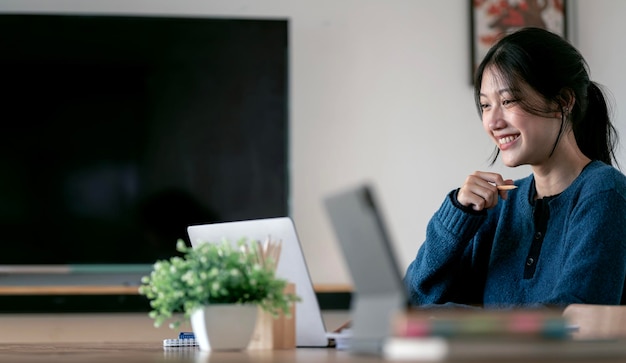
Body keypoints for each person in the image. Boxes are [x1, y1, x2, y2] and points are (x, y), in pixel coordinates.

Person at [403, 27, 626, 308]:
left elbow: (573, 318)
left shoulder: (604, 192)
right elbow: (413, 300)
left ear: (563, 102)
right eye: (485, 105)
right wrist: (458, 215)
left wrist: (460, 321)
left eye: (508, 101)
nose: (493, 122)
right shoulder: (501, 204)